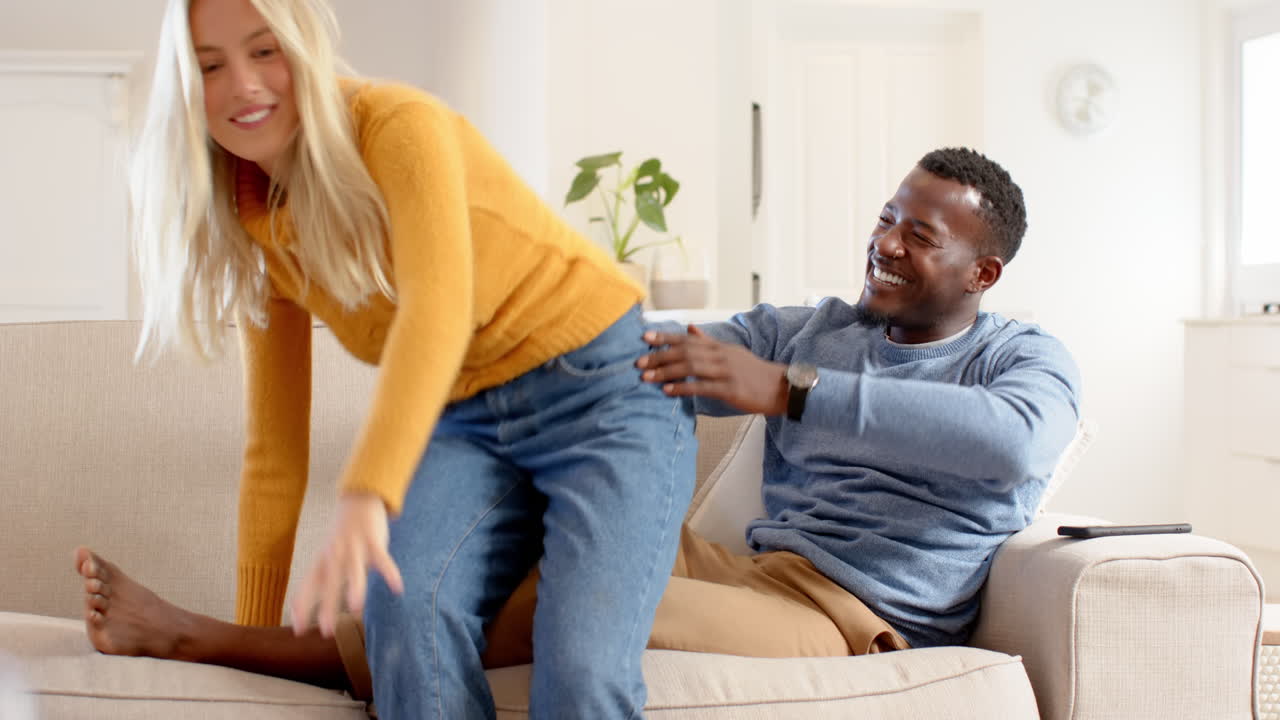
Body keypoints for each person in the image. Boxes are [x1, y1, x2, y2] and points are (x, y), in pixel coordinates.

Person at [78, 146, 1080, 694]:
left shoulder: (1019, 360)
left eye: (918, 233)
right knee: (504, 542)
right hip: (744, 566)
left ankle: (203, 643)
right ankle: (272, 644)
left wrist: (787, 392)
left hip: (849, 616)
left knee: (602, 607)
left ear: (981, 272)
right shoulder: (809, 324)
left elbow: (1010, 444)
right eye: (883, 218)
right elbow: (644, 351)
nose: (884, 244)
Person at [121, 0, 697, 717]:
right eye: (210, 66)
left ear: (303, 48)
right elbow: (274, 452)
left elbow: (439, 307)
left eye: (264, 51)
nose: (243, 84)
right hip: (468, 421)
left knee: (580, 671)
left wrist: (368, 492)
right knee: (402, 621)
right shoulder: (260, 226)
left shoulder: (396, 126)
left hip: (607, 388)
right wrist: (255, 641)